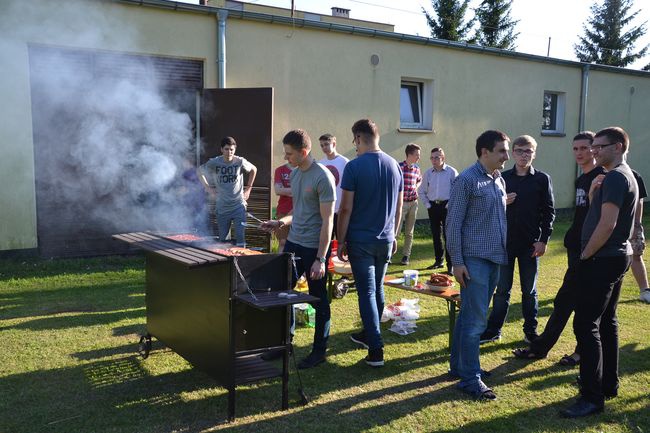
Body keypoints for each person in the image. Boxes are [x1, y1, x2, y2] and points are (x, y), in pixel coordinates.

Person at [560, 126, 637, 418]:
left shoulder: (617, 177)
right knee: (607, 321)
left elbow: (607, 226)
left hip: (603, 259)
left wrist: (584, 256)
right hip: (617, 256)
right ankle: (608, 383)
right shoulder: (622, 176)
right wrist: (594, 196)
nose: (593, 151)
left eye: (599, 146)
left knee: (585, 325)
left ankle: (592, 397)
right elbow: (602, 216)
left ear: (617, 146)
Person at [512, 131, 605, 366]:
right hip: (576, 248)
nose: (580, 153)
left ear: (595, 149)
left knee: (583, 306)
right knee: (566, 302)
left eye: (585, 148)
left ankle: (573, 351)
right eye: (575, 149)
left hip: (591, 252)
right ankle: (543, 347)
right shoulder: (583, 179)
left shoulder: (602, 177)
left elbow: (606, 219)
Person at [260, 129, 335, 369]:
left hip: (314, 248)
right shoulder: (294, 175)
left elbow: (328, 221)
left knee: (319, 300)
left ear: (304, 152)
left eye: (289, 153)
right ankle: (285, 343)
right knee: (283, 292)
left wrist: (321, 259)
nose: (286, 157)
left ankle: (319, 351)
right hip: (294, 241)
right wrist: (281, 221)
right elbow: (300, 211)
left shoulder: (323, 177)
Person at [446, 130, 510, 400]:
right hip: (473, 260)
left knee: (468, 316)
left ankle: (460, 367)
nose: (507, 156)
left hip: (495, 257)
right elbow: (452, 224)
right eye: (502, 151)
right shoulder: (466, 180)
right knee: (475, 321)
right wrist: (457, 262)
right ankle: (471, 378)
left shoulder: (498, 179)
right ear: (485, 152)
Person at [337, 119, 403, 367]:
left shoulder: (353, 167)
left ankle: (375, 348)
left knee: (367, 292)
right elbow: (398, 208)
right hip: (385, 239)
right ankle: (368, 334)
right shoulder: (395, 165)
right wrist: (394, 234)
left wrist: (340, 240)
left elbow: (345, 209)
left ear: (358, 138)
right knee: (377, 289)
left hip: (361, 240)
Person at [481, 135, 555, 344]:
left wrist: (544, 240)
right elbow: (489, 208)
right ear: (512, 153)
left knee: (529, 291)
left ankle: (530, 331)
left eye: (528, 151)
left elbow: (549, 212)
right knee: (502, 290)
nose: (524, 155)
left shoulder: (542, 179)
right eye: (520, 151)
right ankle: (493, 330)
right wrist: (503, 201)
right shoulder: (501, 177)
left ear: (534, 153)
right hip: (504, 244)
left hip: (530, 244)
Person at [200, 136, 257, 246]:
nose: (229, 152)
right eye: (226, 149)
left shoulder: (240, 161)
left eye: (232, 149)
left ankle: (241, 261)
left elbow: (254, 169)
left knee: (240, 238)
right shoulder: (215, 162)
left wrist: (248, 188)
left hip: (238, 205)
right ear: (221, 149)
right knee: (223, 240)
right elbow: (199, 171)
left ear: (235, 149)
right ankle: (227, 262)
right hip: (222, 207)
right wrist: (208, 188)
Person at [418, 147, 458, 273]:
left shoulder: (452, 172)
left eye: (437, 157)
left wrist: (449, 205)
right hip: (433, 206)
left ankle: (450, 265)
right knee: (436, 235)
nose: (434, 160)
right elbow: (421, 191)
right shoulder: (428, 173)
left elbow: (457, 191)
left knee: (448, 236)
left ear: (443, 158)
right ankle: (438, 261)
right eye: (432, 157)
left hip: (447, 206)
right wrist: (428, 205)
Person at [318, 133, 349, 239]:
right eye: (321, 145)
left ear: (334, 143)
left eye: (326, 144)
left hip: (340, 209)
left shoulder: (345, 162)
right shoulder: (320, 164)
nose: (324, 148)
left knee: (342, 240)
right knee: (326, 240)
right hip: (325, 209)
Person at [397, 143, 422, 265]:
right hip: (401, 204)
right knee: (396, 230)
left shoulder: (417, 169)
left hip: (413, 203)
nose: (419, 157)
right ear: (409, 154)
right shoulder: (399, 167)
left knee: (409, 232)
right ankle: (390, 254)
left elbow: (419, 180)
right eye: (417, 155)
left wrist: (416, 187)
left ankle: (406, 256)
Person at [630, 170, 649, 302]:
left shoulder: (634, 175)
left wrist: (637, 224)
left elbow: (639, 202)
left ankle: (645, 290)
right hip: (611, 225)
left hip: (632, 224)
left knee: (636, 256)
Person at [273, 162, 293, 251]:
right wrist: (298, 190)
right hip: (283, 210)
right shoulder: (280, 170)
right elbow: (277, 190)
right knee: (282, 241)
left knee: (299, 244)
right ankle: (280, 264)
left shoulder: (304, 171)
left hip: (302, 211)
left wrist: (285, 190)